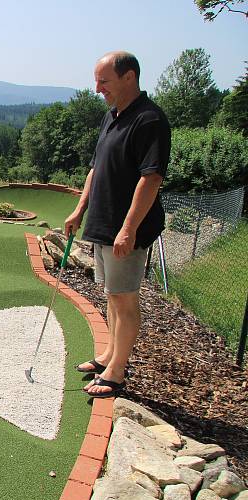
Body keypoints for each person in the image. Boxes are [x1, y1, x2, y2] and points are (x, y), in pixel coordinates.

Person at [64, 52, 171, 398]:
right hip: (103, 222)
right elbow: (96, 168)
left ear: (129, 77)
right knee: (111, 294)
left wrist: (129, 228)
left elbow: (151, 178)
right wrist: (80, 209)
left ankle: (117, 372)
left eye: (104, 81)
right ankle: (109, 354)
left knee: (125, 299)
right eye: (97, 81)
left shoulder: (150, 120)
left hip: (127, 228)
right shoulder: (112, 116)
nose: (97, 89)